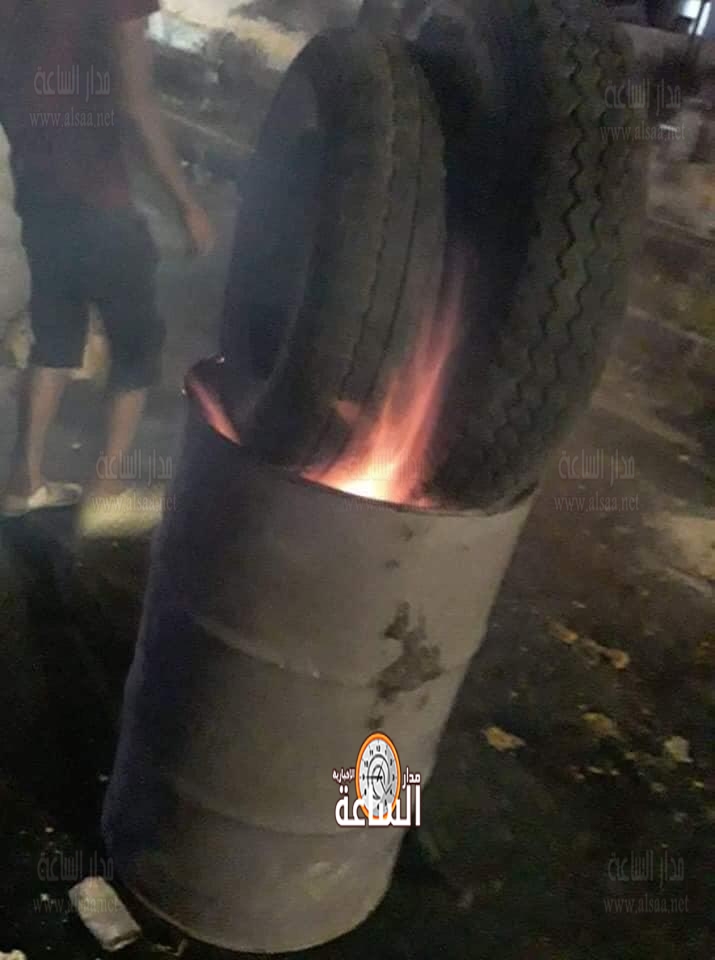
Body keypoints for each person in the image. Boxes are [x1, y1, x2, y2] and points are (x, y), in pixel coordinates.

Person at [0, 0, 215, 530]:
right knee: (137, 346)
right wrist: (185, 203)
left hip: (40, 186)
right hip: (99, 195)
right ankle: (107, 489)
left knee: (56, 335)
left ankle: (24, 484)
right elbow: (137, 100)